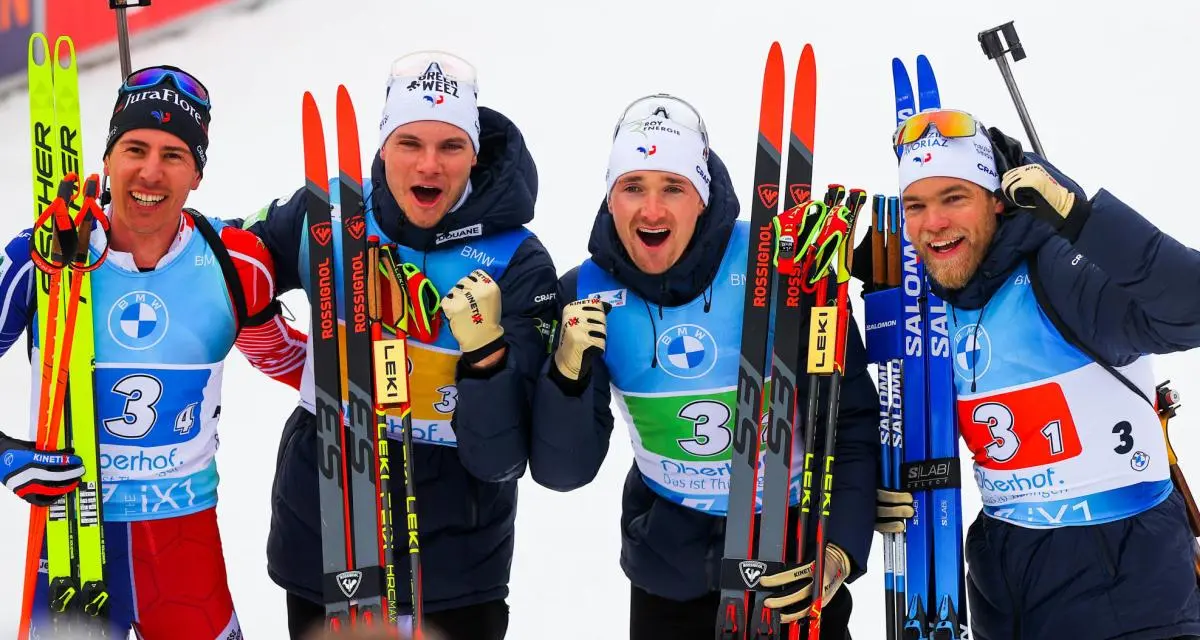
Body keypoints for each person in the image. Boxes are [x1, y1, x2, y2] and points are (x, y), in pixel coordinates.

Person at [528, 94, 879, 639]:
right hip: (669, 572)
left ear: (702, 196)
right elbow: (564, 471)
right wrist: (566, 373)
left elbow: (849, 418)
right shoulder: (585, 294)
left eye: (673, 187)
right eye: (632, 187)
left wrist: (839, 547)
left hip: (793, 565)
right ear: (610, 196)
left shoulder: (783, 265)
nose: (651, 209)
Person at [239, 51, 557, 640]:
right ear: (383, 145)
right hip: (327, 529)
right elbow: (227, 263)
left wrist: (486, 357)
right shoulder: (329, 215)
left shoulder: (518, 259)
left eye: (451, 146)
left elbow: (507, 455)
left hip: (458, 561)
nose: (428, 165)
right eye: (409, 142)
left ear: (475, 152)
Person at [5, 65, 307, 638]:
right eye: (134, 148)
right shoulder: (40, 258)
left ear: (196, 173)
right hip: (71, 542)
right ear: (106, 161)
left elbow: (285, 360)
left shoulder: (234, 264)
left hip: (183, 542)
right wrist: (1, 453)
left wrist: (384, 362)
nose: (150, 171)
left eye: (174, 155)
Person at [890, 108, 1200, 638]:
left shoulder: (1058, 271)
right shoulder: (935, 300)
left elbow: (1190, 309)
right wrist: (892, 485)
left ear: (996, 199)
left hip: (1127, 593)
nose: (933, 223)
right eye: (915, 205)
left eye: (954, 198)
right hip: (1005, 586)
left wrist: (1082, 221)